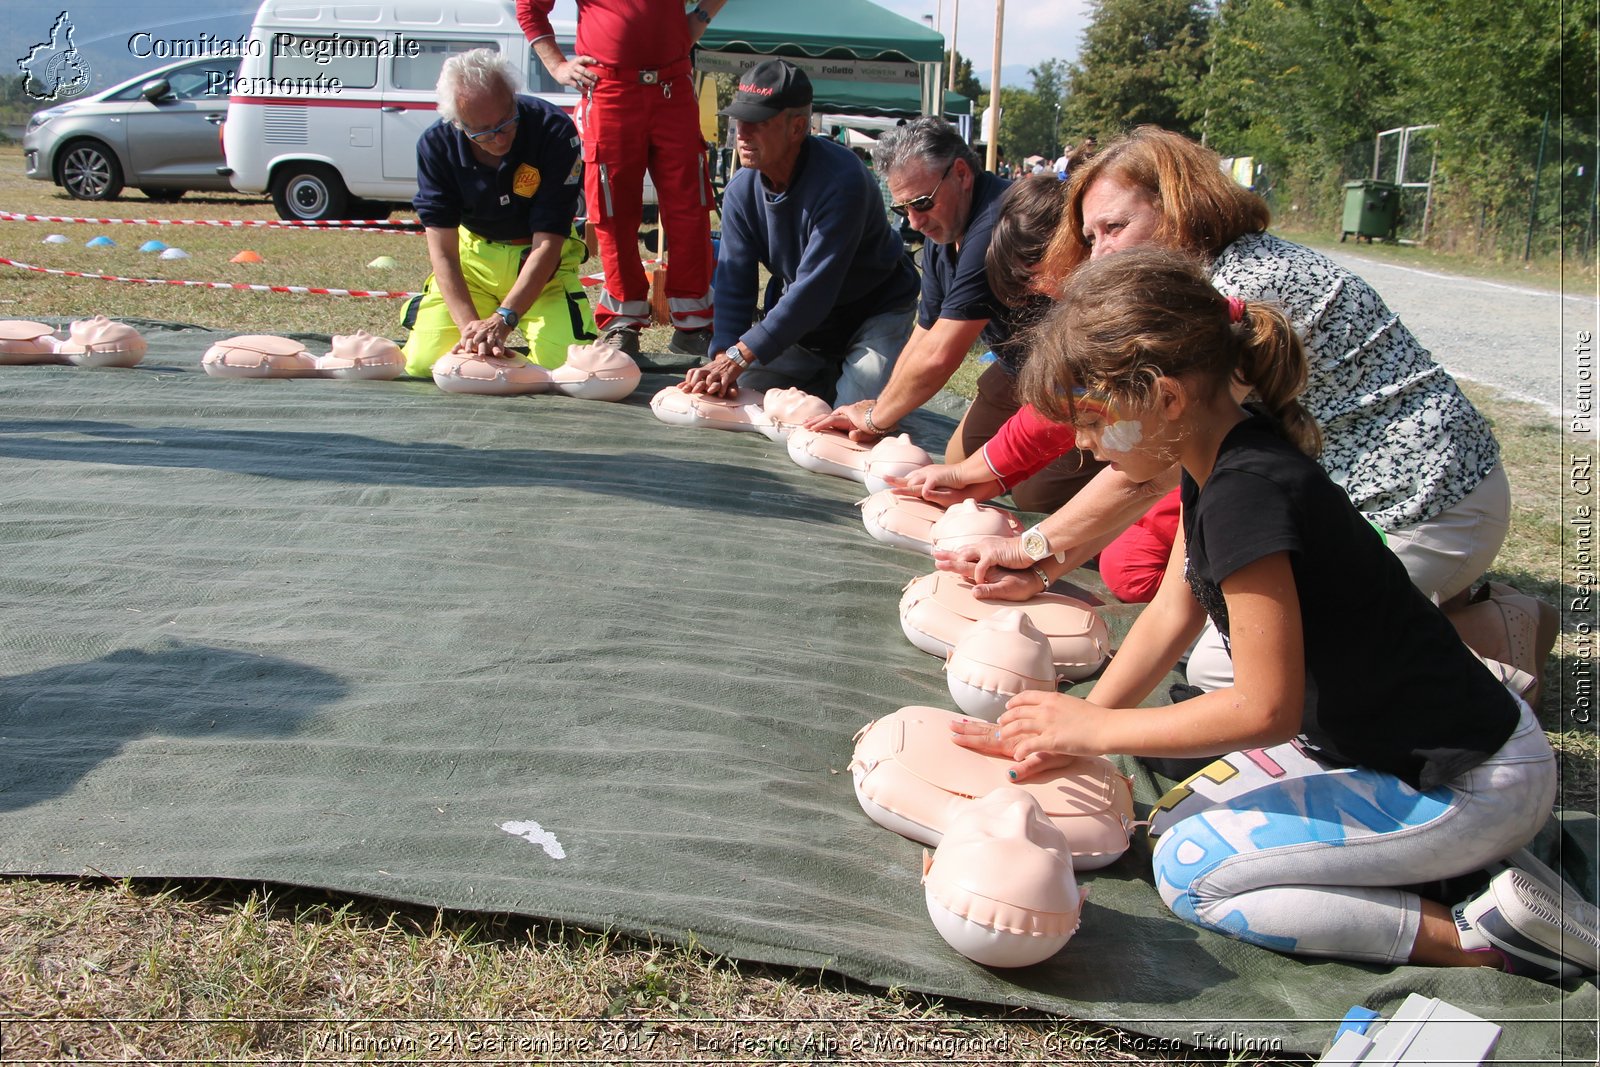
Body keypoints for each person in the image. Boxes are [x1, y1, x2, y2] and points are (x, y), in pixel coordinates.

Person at [949, 248, 1595, 982]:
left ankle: (1490, 933)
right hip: (1389, 750)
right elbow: (1170, 613)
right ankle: (1443, 868)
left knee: (1191, 871)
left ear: (1164, 397)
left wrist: (1095, 727)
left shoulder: (1246, 491)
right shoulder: (1216, 460)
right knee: (1171, 820)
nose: (1087, 448)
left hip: (1470, 782)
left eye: (1092, 422)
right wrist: (1083, 725)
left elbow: (1267, 707)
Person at [913, 127, 1511, 679]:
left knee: (1229, 673)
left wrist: (1031, 549)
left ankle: (1490, 643)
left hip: (1424, 502)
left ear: (1179, 208)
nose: (1097, 256)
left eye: (1114, 228)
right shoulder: (1207, 283)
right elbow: (1156, 473)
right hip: (1354, 497)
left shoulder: (1233, 295)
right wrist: (1037, 555)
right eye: (1090, 237)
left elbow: (1147, 465)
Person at [805, 118, 1100, 503]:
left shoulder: (994, 224)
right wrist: (878, 408)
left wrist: (878, 418)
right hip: (1018, 368)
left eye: (923, 203)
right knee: (959, 463)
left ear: (961, 173)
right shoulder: (942, 234)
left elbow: (942, 354)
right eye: (903, 208)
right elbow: (924, 334)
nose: (914, 221)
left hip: (1074, 379)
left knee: (1031, 495)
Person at [680, 61, 917, 405]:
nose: (743, 132)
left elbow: (814, 290)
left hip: (874, 311)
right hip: (807, 326)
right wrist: (723, 356)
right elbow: (734, 284)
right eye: (739, 120)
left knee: (853, 418)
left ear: (797, 127)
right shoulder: (740, 192)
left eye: (758, 122)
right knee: (735, 395)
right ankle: (825, 374)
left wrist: (741, 354)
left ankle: (840, 375)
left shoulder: (841, 181)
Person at [517, 0, 725, 362]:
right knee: (612, 213)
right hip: (608, 89)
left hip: (672, 86)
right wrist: (557, 65)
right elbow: (529, 7)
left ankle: (694, 327)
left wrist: (700, 18)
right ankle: (622, 322)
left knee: (690, 209)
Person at [400, 49, 596, 377]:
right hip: (472, 263)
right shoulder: (435, 146)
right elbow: (444, 253)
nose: (500, 138)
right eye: (484, 132)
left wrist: (504, 319)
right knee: (423, 364)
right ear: (458, 123)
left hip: (541, 267)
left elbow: (548, 243)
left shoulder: (554, 131)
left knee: (567, 367)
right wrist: (470, 330)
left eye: (507, 121)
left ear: (513, 97)